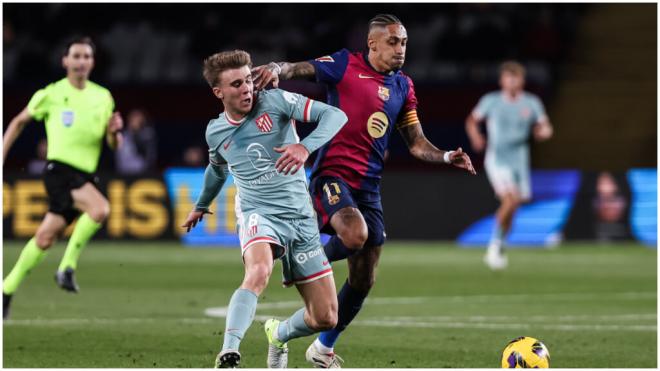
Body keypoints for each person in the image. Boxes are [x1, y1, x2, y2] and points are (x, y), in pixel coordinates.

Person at [251, 14, 476, 367]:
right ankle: (303, 261)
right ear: (372, 43)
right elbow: (300, 68)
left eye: (403, 43)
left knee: (364, 278)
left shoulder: (403, 86)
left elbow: (416, 144)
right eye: (392, 42)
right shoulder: (345, 65)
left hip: (368, 188)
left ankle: (318, 348)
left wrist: (446, 155)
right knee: (355, 235)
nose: (399, 49)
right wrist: (278, 68)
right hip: (331, 176)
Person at [181, 50, 348, 368]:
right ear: (219, 92)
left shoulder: (277, 100)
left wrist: (304, 146)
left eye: (247, 81)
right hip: (258, 213)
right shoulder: (216, 132)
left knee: (326, 317)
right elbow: (217, 169)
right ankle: (229, 351)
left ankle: (279, 333)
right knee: (258, 271)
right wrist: (201, 205)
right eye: (235, 84)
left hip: (300, 216)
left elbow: (336, 116)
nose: (246, 89)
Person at [2, 36, 123, 319]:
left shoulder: (103, 96)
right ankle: (66, 267)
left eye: (86, 57)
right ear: (65, 61)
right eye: (76, 56)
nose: (81, 61)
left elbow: (112, 144)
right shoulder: (51, 93)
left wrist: (115, 132)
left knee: (44, 238)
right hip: (58, 170)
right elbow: (17, 122)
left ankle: (5, 290)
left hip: (85, 175)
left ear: (92, 62)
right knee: (100, 208)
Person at [465, 60, 553, 270]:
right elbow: (472, 120)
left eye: (516, 78)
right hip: (498, 158)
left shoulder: (531, 103)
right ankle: (493, 247)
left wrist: (544, 132)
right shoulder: (492, 101)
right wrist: (476, 137)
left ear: (522, 80)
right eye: (508, 78)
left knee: (514, 206)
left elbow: (545, 126)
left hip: (520, 159)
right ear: (502, 81)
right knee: (511, 200)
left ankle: (500, 243)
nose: (512, 82)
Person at [115, 108, 157, 175]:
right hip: (122, 173)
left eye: (137, 117)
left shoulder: (147, 134)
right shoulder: (122, 135)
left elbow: (148, 155)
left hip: (141, 173)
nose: (134, 120)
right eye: (133, 117)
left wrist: (136, 133)